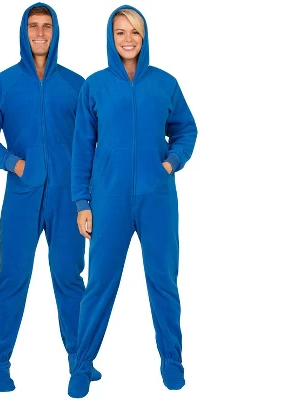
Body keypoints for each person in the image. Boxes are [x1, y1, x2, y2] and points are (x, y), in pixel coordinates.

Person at [68, 4, 198, 397]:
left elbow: (186, 130)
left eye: (135, 32)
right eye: (120, 32)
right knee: (99, 284)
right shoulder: (94, 86)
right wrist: (82, 202)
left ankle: (172, 362)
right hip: (108, 201)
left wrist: (171, 163)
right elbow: (82, 148)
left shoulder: (165, 83)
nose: (128, 39)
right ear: (111, 37)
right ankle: (82, 366)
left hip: (158, 199)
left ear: (145, 37)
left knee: (164, 281)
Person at [0, 3, 101, 392]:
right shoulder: (3, 84)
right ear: (23, 31)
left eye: (47, 26)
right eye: (34, 26)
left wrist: (88, 197)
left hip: (68, 199)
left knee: (69, 278)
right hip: (21, 198)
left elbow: (94, 142)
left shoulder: (77, 84)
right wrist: (14, 164)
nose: (40, 33)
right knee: (12, 279)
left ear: (56, 31)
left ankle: (81, 360)